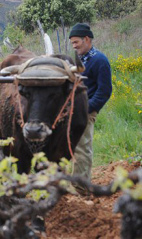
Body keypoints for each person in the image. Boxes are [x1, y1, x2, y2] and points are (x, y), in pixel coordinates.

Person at [69, 23, 112, 190]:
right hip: (73, 111)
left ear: (86, 39)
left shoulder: (100, 60)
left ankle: (81, 190)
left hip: (85, 112)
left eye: (76, 42)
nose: (74, 46)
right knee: (72, 148)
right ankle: (74, 184)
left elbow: (105, 91)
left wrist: (87, 109)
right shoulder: (79, 59)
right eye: (72, 43)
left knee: (82, 149)